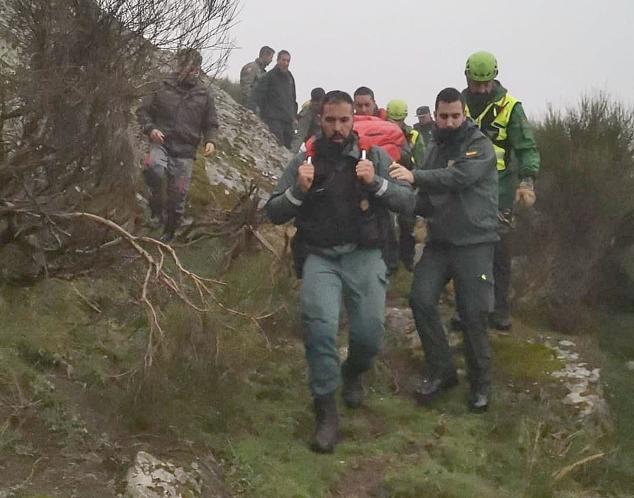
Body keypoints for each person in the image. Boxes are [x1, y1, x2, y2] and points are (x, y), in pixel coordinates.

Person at [266, 90, 413, 453]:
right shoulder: (304, 159)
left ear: (353, 121)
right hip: (320, 256)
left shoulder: (373, 156)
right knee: (319, 328)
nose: (336, 128)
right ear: (320, 120)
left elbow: (408, 201)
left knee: (369, 334)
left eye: (343, 120)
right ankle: (326, 409)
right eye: (330, 121)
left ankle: (354, 373)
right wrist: (299, 191)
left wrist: (374, 183)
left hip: (364, 254)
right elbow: (272, 210)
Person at [389, 87, 498, 412]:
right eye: (443, 116)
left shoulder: (479, 145)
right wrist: (390, 192)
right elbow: (424, 196)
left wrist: (415, 176)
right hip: (439, 241)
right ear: (435, 116)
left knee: (472, 315)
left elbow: (457, 177)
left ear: (464, 115)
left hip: (474, 242)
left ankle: (481, 386)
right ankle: (442, 371)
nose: (449, 121)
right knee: (420, 299)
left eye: (455, 115)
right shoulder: (434, 145)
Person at [462, 51, 540, 330]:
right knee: (465, 252)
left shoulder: (511, 107)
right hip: (464, 188)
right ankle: (467, 310)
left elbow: (526, 148)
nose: (481, 89)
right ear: (467, 78)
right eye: (476, 83)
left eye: (486, 83)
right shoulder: (457, 104)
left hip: (500, 190)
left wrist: (527, 181)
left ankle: (499, 310)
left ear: (494, 78)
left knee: (499, 251)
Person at [137, 48, 218, 242]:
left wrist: (210, 141)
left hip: (186, 153)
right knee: (152, 167)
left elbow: (211, 123)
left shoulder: (204, 94)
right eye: (189, 67)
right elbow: (143, 111)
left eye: (197, 68)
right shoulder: (161, 85)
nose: (193, 72)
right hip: (161, 143)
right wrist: (151, 129)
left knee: (179, 195)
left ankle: (169, 233)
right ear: (179, 66)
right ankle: (155, 210)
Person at [386, 99, 426, 271]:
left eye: (399, 120)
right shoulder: (382, 132)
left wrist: (416, 180)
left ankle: (407, 260)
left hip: (406, 183)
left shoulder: (414, 136)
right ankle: (390, 262)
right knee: (386, 223)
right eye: (392, 120)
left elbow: (422, 162)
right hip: (385, 182)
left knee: (406, 222)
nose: (395, 124)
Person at [251, 50, 297, 149]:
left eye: (288, 61)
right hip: (273, 119)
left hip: (287, 120)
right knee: (277, 147)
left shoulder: (290, 77)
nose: (285, 63)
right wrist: (259, 113)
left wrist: (294, 116)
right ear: (277, 60)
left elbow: (293, 98)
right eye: (283, 60)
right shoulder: (269, 76)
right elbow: (258, 95)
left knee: (289, 149)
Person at [239, 45, 275, 110]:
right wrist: (253, 105)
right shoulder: (252, 68)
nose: (271, 60)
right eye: (271, 57)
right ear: (265, 55)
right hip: (250, 108)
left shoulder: (264, 73)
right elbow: (246, 88)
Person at [291, 87, 325, 151]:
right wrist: (291, 153)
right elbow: (300, 135)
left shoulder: (330, 109)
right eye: (315, 102)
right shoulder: (307, 112)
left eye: (319, 102)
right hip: (312, 140)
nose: (317, 105)